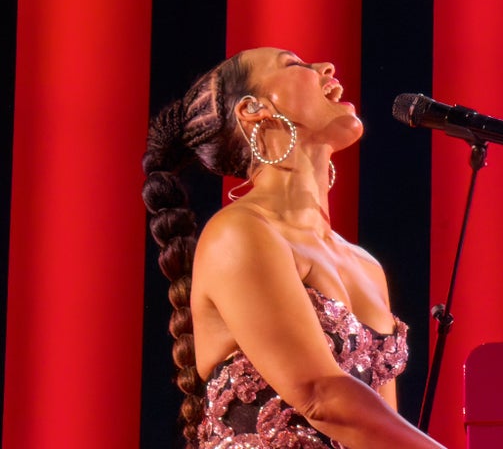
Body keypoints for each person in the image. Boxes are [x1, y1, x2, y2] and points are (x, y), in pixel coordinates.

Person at [142, 48, 446, 449]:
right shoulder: (240, 233)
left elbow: (378, 427)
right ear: (254, 109)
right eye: (295, 65)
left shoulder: (365, 266)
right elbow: (319, 394)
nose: (327, 67)